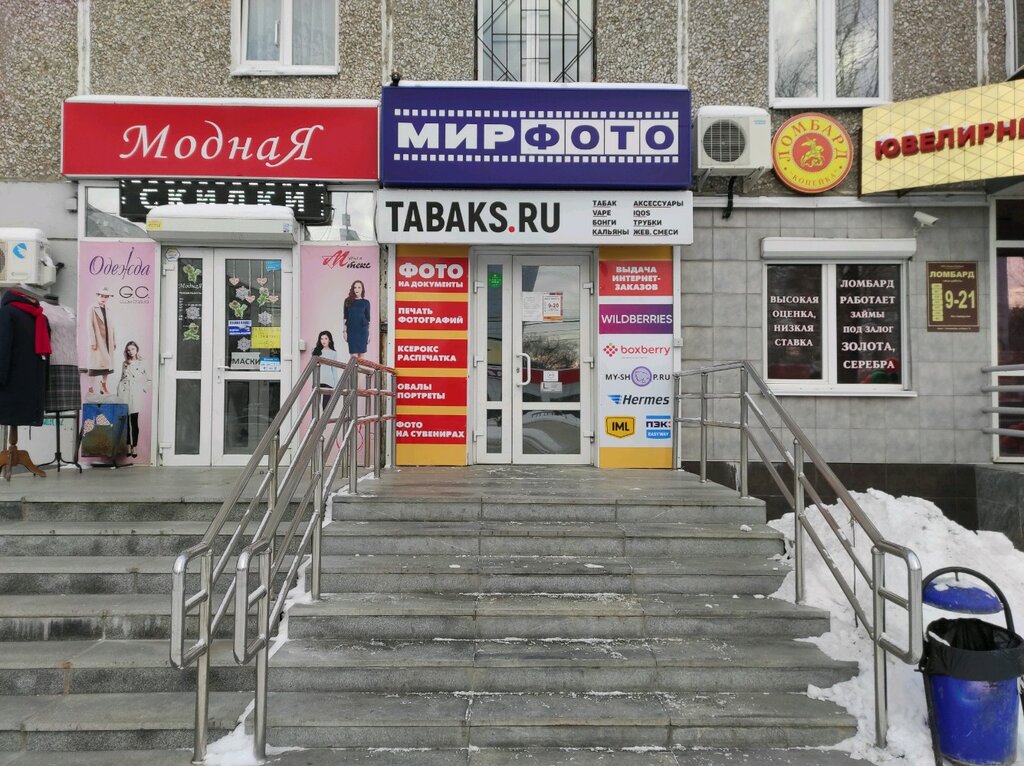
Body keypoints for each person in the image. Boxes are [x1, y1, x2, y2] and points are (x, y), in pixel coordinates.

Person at [116, 341, 149, 458]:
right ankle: (128, 445)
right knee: (125, 422)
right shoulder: (124, 363)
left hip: (135, 393)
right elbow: (121, 378)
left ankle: (134, 446)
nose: (131, 352)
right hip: (124, 392)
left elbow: (148, 378)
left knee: (134, 421)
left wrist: (144, 388)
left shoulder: (142, 362)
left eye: (133, 349)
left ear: (137, 349)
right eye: (128, 350)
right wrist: (118, 392)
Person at [87, 287, 117, 395]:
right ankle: (90, 388)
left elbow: (112, 327)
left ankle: (103, 385)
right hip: (98, 340)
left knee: (108, 365)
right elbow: (89, 325)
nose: (104, 299)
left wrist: (114, 341)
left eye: (106, 297)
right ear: (98, 296)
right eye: (102, 296)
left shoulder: (108, 310)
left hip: (108, 340)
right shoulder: (92, 308)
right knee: (94, 365)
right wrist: (93, 342)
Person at [311, 330, 340, 412]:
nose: (323, 341)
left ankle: (324, 421)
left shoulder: (333, 353)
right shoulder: (315, 351)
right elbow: (312, 367)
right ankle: (316, 421)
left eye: (326, 338)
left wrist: (336, 384)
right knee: (315, 406)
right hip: (318, 380)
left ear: (329, 340)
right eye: (321, 339)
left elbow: (334, 369)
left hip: (329, 382)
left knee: (326, 407)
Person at [342, 280, 371, 358]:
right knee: (353, 357)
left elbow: (368, 319)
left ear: (362, 289)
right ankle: (354, 367)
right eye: (355, 287)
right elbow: (345, 317)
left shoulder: (366, 302)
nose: (357, 289)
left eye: (359, 287)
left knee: (362, 358)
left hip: (363, 331)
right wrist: (344, 332)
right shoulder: (347, 301)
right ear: (353, 289)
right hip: (351, 331)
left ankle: (360, 367)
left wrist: (369, 334)